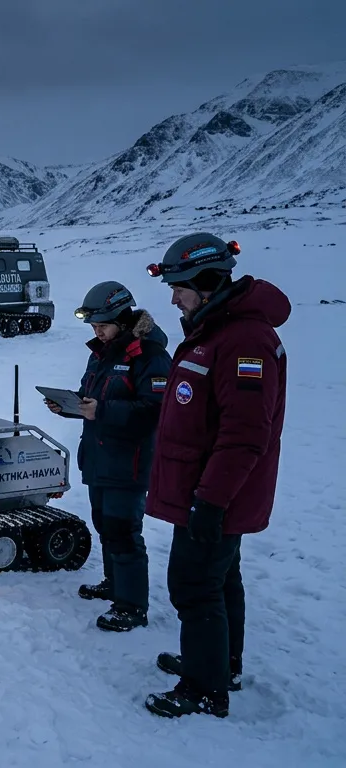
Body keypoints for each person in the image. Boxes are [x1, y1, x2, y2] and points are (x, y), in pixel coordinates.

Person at [141, 232, 289, 719]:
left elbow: (246, 435)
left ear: (207, 283)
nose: (173, 297)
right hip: (209, 491)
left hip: (216, 494)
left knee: (194, 584)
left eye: (179, 286)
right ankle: (221, 665)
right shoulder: (216, 330)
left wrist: (210, 499)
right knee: (222, 579)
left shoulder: (244, 340)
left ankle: (205, 688)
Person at [46, 281, 171, 632]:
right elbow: (92, 399)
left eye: (102, 326)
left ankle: (132, 606)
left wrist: (101, 410)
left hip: (128, 462)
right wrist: (70, 406)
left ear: (123, 318)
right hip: (100, 459)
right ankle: (114, 584)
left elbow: (155, 411)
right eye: (93, 327)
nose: (97, 333)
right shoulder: (101, 354)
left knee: (124, 531)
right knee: (105, 525)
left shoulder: (150, 356)